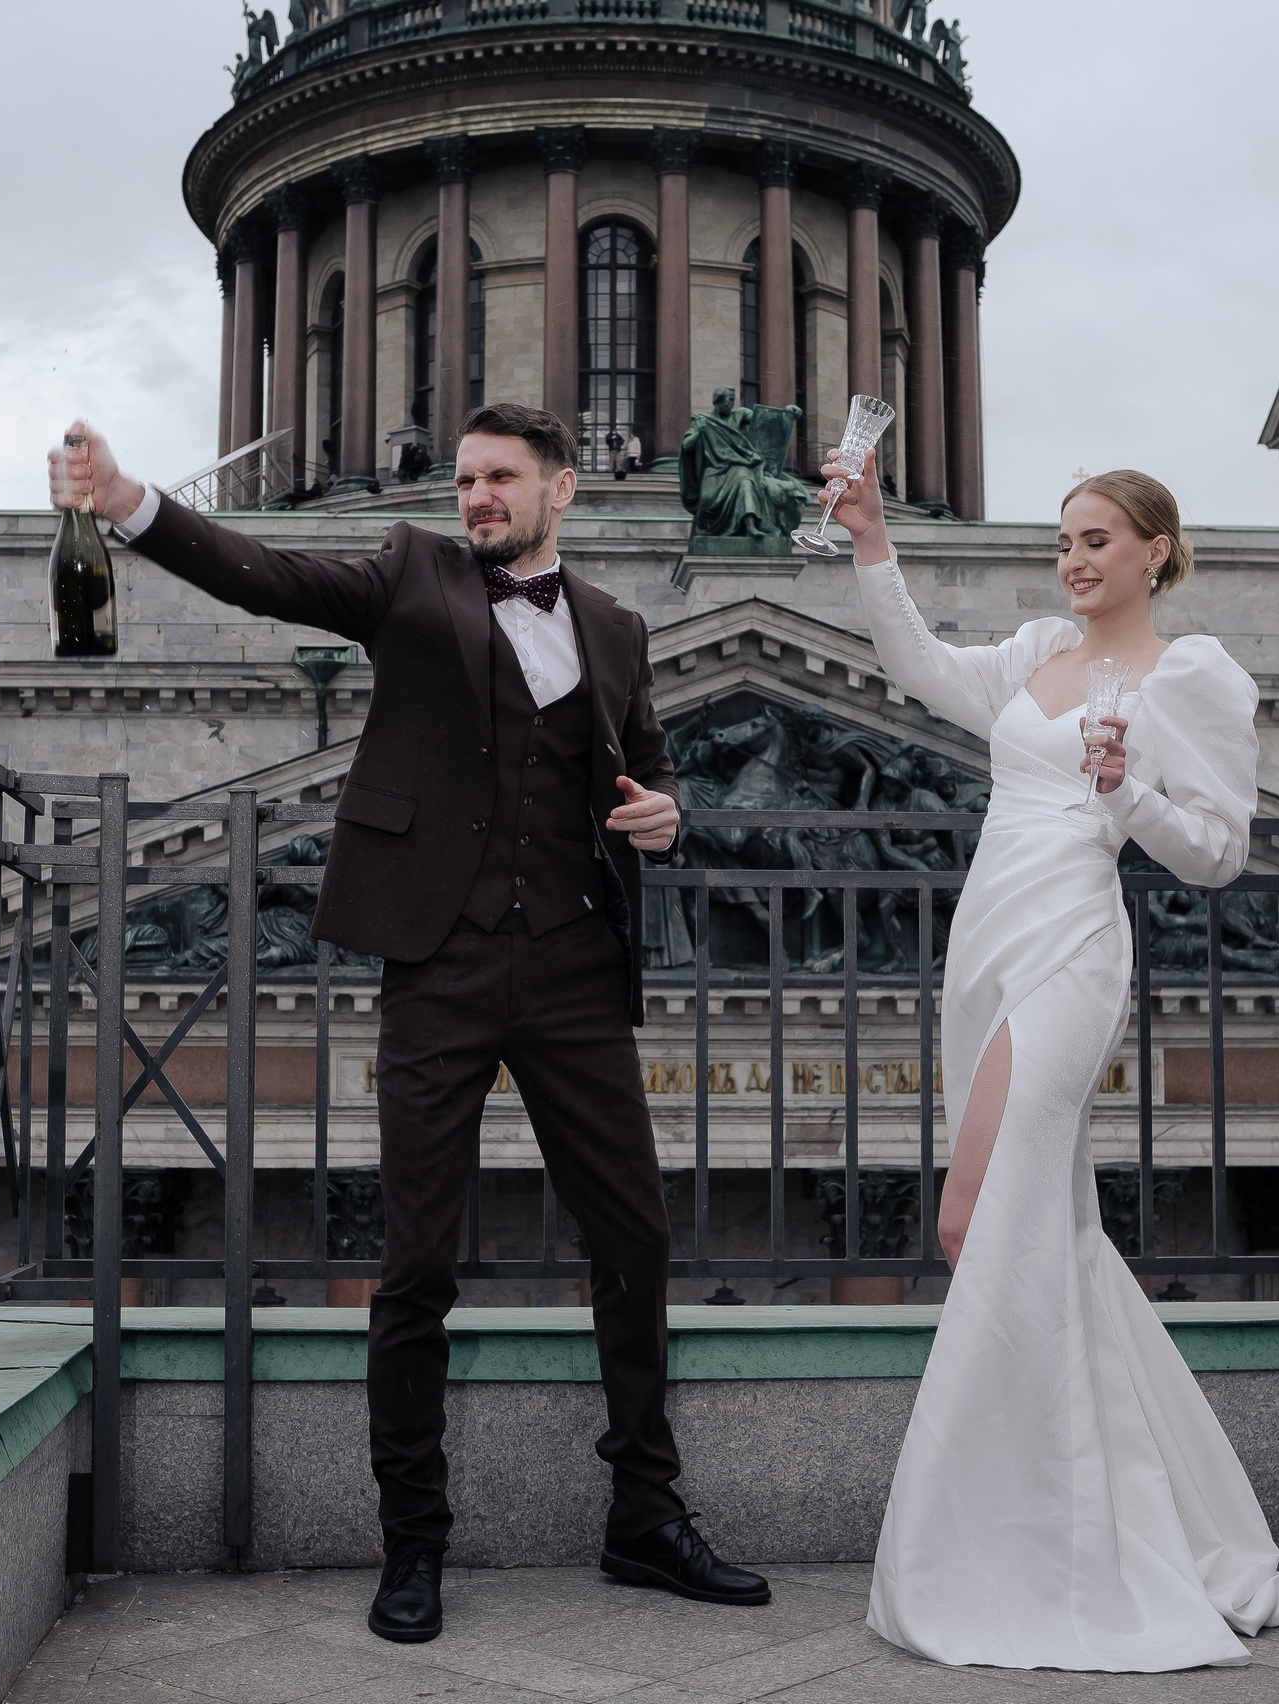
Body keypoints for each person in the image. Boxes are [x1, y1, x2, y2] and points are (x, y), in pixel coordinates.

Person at [48, 402, 770, 1645]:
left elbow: (643, 768)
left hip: (574, 965)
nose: (476, 495)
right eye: (466, 478)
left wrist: (664, 814)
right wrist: (127, 504)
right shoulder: (408, 573)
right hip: (438, 960)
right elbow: (266, 576)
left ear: (562, 490)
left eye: (501, 478)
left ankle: (646, 1518)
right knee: (418, 1263)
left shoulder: (616, 627)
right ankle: (414, 1543)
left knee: (635, 1240)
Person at [819, 452, 1279, 1671]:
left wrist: (1125, 789)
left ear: (1156, 550)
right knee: (1042, 1233)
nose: (1074, 560)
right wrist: (873, 539)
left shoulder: (1189, 676)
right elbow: (920, 668)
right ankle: (1131, 1518)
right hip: (986, 943)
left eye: (1096, 539)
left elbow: (1218, 853)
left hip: (1071, 948)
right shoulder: (1040, 650)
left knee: (973, 1220)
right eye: (1063, 541)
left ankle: (1017, 1538)